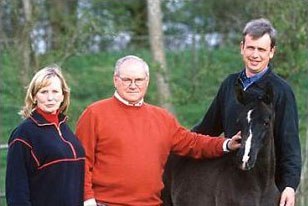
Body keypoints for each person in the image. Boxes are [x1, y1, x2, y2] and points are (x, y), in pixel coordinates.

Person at [75, 55, 242, 206]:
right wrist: (87, 200)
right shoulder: (94, 114)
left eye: (139, 80)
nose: (133, 85)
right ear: (115, 80)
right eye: (127, 80)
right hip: (107, 203)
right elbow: (81, 162)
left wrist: (226, 144)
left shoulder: (162, 118)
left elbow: (192, 142)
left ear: (147, 81)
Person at [192, 18, 301, 206]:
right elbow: (207, 128)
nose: (255, 55)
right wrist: (176, 141)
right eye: (251, 48)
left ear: (272, 52)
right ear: (242, 47)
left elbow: (289, 143)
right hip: (230, 186)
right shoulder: (229, 85)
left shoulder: (281, 91)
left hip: (265, 191)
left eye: (261, 49)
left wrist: (289, 186)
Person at [6, 65, 85, 206]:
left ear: (63, 96)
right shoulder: (23, 134)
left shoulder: (66, 130)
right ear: (34, 96)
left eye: (55, 91)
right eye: (44, 92)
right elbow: (16, 192)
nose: (50, 98)